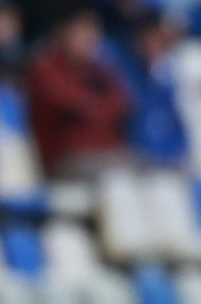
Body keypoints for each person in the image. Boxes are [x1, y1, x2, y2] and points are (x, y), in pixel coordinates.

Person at [27, 4, 131, 179]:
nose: (90, 38)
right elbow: (68, 102)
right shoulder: (45, 70)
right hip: (66, 161)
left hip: (109, 155)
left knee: (157, 174)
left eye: (94, 32)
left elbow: (123, 104)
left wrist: (96, 106)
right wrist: (99, 105)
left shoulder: (101, 71)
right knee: (117, 181)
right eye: (82, 31)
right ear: (63, 33)